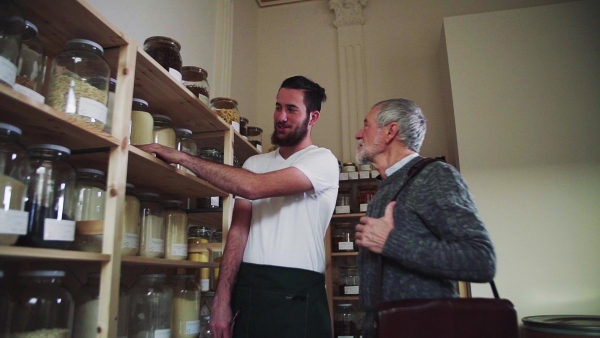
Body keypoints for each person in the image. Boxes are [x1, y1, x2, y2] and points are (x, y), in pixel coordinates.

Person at [138, 75, 339, 338]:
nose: (281, 117)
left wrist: (182, 158)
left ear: (313, 118)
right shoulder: (254, 164)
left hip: (299, 290)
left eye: (291, 110)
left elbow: (254, 187)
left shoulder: (322, 160)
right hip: (250, 287)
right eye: (278, 107)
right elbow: (237, 233)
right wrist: (221, 301)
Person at [353, 98, 496, 338]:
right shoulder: (386, 187)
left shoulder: (435, 176)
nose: (359, 134)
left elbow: (481, 260)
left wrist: (391, 242)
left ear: (390, 131)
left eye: (366, 125)